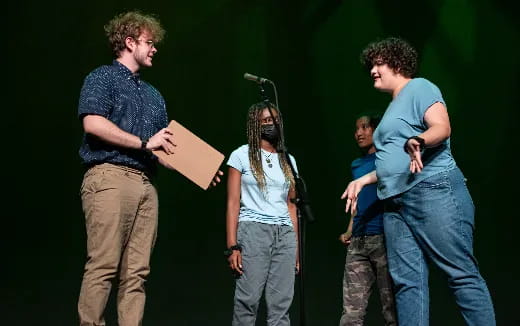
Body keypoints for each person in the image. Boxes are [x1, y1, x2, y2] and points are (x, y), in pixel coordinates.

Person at [77, 11, 221, 326]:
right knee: (103, 266)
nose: (154, 48)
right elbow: (92, 122)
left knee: (137, 273)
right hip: (109, 176)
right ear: (129, 42)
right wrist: (144, 142)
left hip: (145, 184)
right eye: (148, 42)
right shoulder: (102, 77)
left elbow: (162, 150)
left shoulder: (155, 96)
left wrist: (199, 169)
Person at [342, 37, 495, 326]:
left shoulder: (419, 87)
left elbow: (441, 126)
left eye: (379, 63)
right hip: (394, 203)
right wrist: (363, 180)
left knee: (459, 272)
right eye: (371, 66)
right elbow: (393, 162)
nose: (373, 70)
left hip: (430, 190)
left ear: (398, 63)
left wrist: (419, 139)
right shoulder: (392, 108)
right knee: (407, 284)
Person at [225, 102, 299, 326]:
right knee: (248, 301)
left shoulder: (289, 160)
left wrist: (296, 249)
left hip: (285, 234)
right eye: (265, 121)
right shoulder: (241, 155)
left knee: (281, 304)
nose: (271, 124)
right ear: (255, 125)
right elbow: (232, 202)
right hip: (254, 230)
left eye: (274, 120)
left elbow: (292, 206)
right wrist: (232, 245)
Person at [338, 114, 397, 326]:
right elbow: (358, 203)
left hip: (384, 239)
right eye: (357, 129)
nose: (359, 133)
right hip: (359, 242)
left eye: (365, 127)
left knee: (392, 308)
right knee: (351, 313)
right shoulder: (357, 164)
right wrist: (349, 231)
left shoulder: (388, 159)